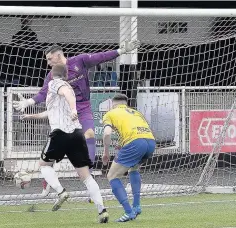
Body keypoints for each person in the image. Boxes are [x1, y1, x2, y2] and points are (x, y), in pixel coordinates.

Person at [14, 40, 140, 196]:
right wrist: (28, 102)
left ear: (58, 55)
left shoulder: (79, 61)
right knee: (55, 148)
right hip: (65, 114)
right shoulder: (51, 75)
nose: (48, 63)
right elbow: (43, 93)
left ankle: (90, 173)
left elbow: (101, 57)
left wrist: (121, 51)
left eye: (49, 59)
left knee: (90, 135)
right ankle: (47, 183)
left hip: (84, 108)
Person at [21, 64, 109, 223]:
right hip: (76, 135)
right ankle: (102, 210)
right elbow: (50, 112)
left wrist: (74, 110)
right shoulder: (59, 93)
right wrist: (31, 116)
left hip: (60, 134)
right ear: (67, 74)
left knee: (44, 165)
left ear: (51, 76)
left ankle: (61, 192)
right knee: (86, 177)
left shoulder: (56, 84)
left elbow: (65, 91)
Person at [101, 94, 155, 222]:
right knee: (133, 169)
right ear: (126, 103)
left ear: (112, 105)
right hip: (150, 142)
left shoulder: (111, 113)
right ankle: (136, 206)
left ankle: (129, 212)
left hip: (135, 142)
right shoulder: (136, 112)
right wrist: (121, 144)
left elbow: (107, 133)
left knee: (112, 176)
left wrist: (106, 152)